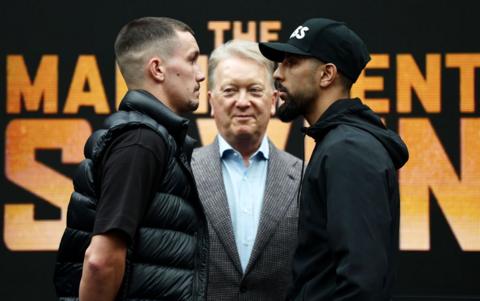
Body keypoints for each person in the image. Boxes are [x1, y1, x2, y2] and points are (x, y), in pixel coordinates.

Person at [54, 17, 208, 301]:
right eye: (192, 60)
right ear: (158, 69)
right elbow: (101, 261)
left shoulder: (151, 138)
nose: (200, 74)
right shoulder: (141, 141)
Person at [259, 18, 409, 300]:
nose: (278, 73)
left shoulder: (349, 150)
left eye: (291, 62)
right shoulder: (337, 143)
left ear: (327, 75)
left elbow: (362, 284)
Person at [191, 40, 302, 300]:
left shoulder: (304, 177)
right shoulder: (182, 171)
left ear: (273, 100)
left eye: (254, 90)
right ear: (211, 101)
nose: (242, 102)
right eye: (230, 91)